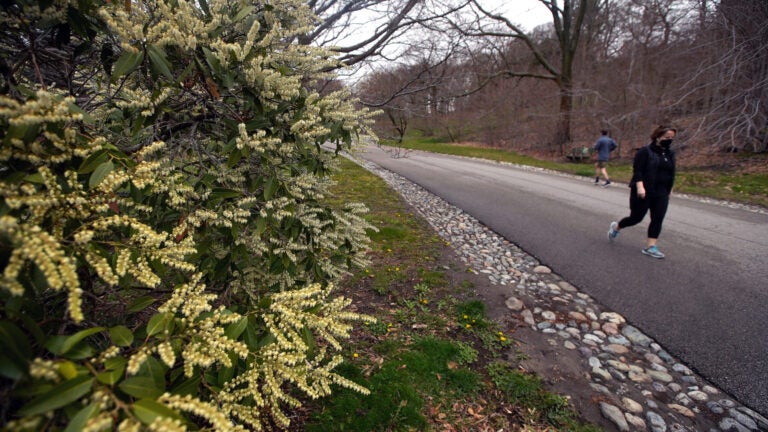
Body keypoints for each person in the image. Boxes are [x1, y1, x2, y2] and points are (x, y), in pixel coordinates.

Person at [607, 125, 677, 259]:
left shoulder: (670, 153)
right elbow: (638, 170)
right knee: (636, 218)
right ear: (657, 137)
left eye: (672, 138)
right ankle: (617, 226)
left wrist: (670, 189)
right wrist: (640, 187)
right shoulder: (645, 152)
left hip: (661, 191)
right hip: (644, 190)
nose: (669, 140)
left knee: (658, 219)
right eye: (666, 137)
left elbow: (671, 172)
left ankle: (651, 246)